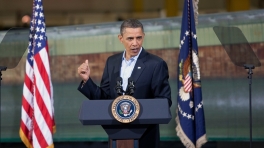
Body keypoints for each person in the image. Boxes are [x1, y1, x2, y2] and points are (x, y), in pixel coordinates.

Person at [77, 19, 171, 148]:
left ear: (143, 36)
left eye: (139, 38)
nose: (135, 43)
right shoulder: (112, 62)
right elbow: (104, 98)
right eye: (130, 38)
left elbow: (164, 101)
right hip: (116, 134)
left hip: (146, 136)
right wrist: (87, 80)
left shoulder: (156, 64)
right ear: (120, 38)